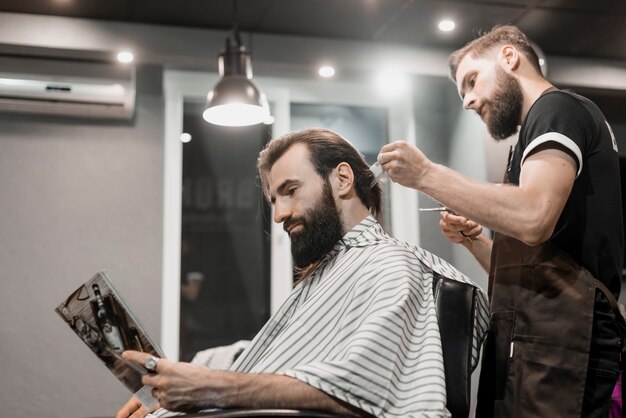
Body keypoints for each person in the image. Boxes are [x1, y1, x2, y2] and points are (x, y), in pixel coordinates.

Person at [117, 128, 488, 418]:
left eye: (290, 190)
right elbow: (286, 357)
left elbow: (366, 383)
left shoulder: (390, 264)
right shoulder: (327, 272)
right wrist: (175, 380)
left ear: (342, 180)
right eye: (274, 200)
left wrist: (213, 388)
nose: (279, 214)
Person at [377, 25, 624, 418]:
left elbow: (532, 216)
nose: (468, 102)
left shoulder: (557, 109)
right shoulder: (528, 139)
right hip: (534, 343)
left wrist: (426, 175)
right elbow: (535, 271)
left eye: (472, 82)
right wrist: (475, 242)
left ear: (509, 58)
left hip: (565, 348)